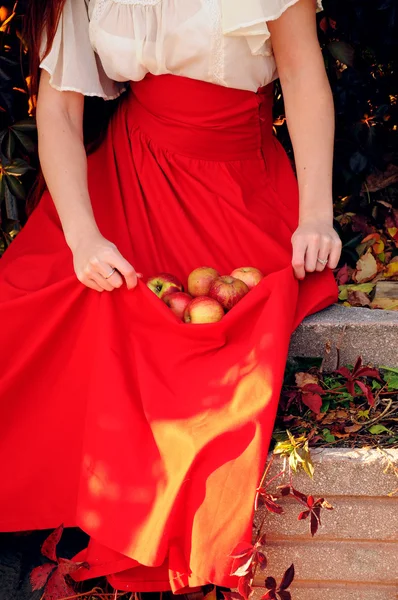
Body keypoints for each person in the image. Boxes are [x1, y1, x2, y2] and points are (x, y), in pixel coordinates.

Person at [0, 0, 342, 596]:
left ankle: (136, 541)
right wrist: (83, 237)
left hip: (236, 183)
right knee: (31, 301)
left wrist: (315, 215)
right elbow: (56, 107)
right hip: (129, 171)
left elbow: (303, 74)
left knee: (199, 351)